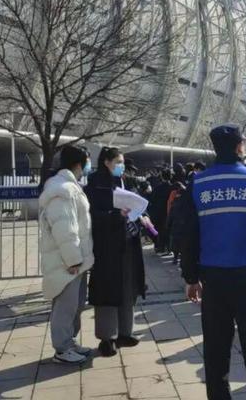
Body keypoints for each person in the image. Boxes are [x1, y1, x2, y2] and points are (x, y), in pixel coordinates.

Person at [178, 123, 246, 400]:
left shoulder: (198, 183)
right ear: (240, 146)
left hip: (213, 278)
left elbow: (188, 234)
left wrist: (190, 277)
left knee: (216, 351)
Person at [85, 147, 146, 357]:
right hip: (107, 246)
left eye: (122, 162)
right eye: (118, 162)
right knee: (108, 289)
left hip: (128, 242)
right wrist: (115, 215)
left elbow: (136, 203)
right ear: (106, 162)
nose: (121, 166)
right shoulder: (96, 184)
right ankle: (106, 337)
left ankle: (125, 332)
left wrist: (141, 215)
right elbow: (92, 215)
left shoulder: (125, 181)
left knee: (128, 287)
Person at [39, 146, 95, 364]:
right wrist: (73, 259)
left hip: (76, 260)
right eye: (88, 162)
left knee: (75, 305)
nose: (89, 166)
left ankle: (69, 342)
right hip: (67, 261)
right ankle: (62, 349)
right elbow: (64, 228)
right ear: (79, 164)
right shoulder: (62, 189)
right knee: (65, 306)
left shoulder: (70, 186)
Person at [149, 169, 173, 254]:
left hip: (159, 212)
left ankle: (161, 247)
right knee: (169, 230)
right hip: (170, 211)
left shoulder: (158, 188)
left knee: (160, 230)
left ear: (162, 177)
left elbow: (152, 199)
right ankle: (169, 248)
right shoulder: (173, 187)